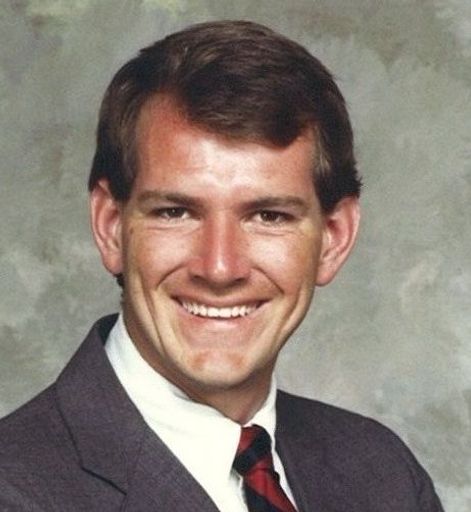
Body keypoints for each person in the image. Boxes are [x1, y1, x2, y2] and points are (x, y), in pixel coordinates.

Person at [0, 20, 444, 511]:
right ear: (111, 227)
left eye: (268, 216)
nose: (219, 267)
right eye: (176, 212)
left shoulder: (383, 475)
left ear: (333, 238)